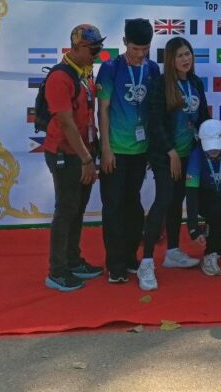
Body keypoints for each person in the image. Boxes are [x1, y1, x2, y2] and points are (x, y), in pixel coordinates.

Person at [139, 36, 210, 290]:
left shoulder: (196, 82)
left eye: (188, 54)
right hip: (165, 155)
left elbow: (202, 118)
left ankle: (172, 252)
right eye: (180, 55)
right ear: (171, 59)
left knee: (177, 200)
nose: (185, 59)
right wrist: (171, 152)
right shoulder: (161, 84)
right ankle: (146, 262)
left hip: (188, 154)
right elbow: (156, 122)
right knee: (163, 200)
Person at [96, 18, 161, 285]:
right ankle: (115, 264)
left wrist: (153, 149)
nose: (140, 54)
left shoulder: (153, 69)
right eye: (135, 49)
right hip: (116, 150)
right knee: (113, 206)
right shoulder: (110, 68)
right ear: (124, 43)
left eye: (145, 49)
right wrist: (106, 149)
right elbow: (102, 110)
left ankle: (131, 256)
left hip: (141, 151)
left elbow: (155, 110)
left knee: (134, 205)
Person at [42, 24, 103, 292]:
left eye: (99, 48)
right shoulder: (60, 76)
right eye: (93, 49)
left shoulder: (86, 71)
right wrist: (87, 160)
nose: (97, 54)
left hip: (83, 151)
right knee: (66, 210)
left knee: (77, 209)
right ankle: (57, 271)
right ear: (77, 47)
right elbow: (66, 123)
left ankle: (73, 261)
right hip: (65, 153)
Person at [185, 120, 221, 277]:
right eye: (209, 147)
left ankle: (212, 237)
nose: (212, 151)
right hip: (205, 197)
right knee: (216, 207)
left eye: (215, 147)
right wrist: (192, 227)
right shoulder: (196, 154)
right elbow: (191, 192)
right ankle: (209, 254)